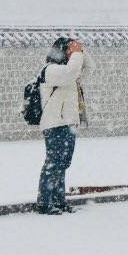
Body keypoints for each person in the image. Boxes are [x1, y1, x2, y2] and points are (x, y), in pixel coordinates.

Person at [36, 37, 90, 215]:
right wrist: (76, 53)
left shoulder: (70, 68)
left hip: (68, 122)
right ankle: (45, 202)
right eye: (68, 50)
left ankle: (59, 201)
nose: (71, 53)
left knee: (63, 163)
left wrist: (80, 51)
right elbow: (70, 72)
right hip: (55, 123)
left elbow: (89, 67)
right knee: (53, 163)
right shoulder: (50, 70)